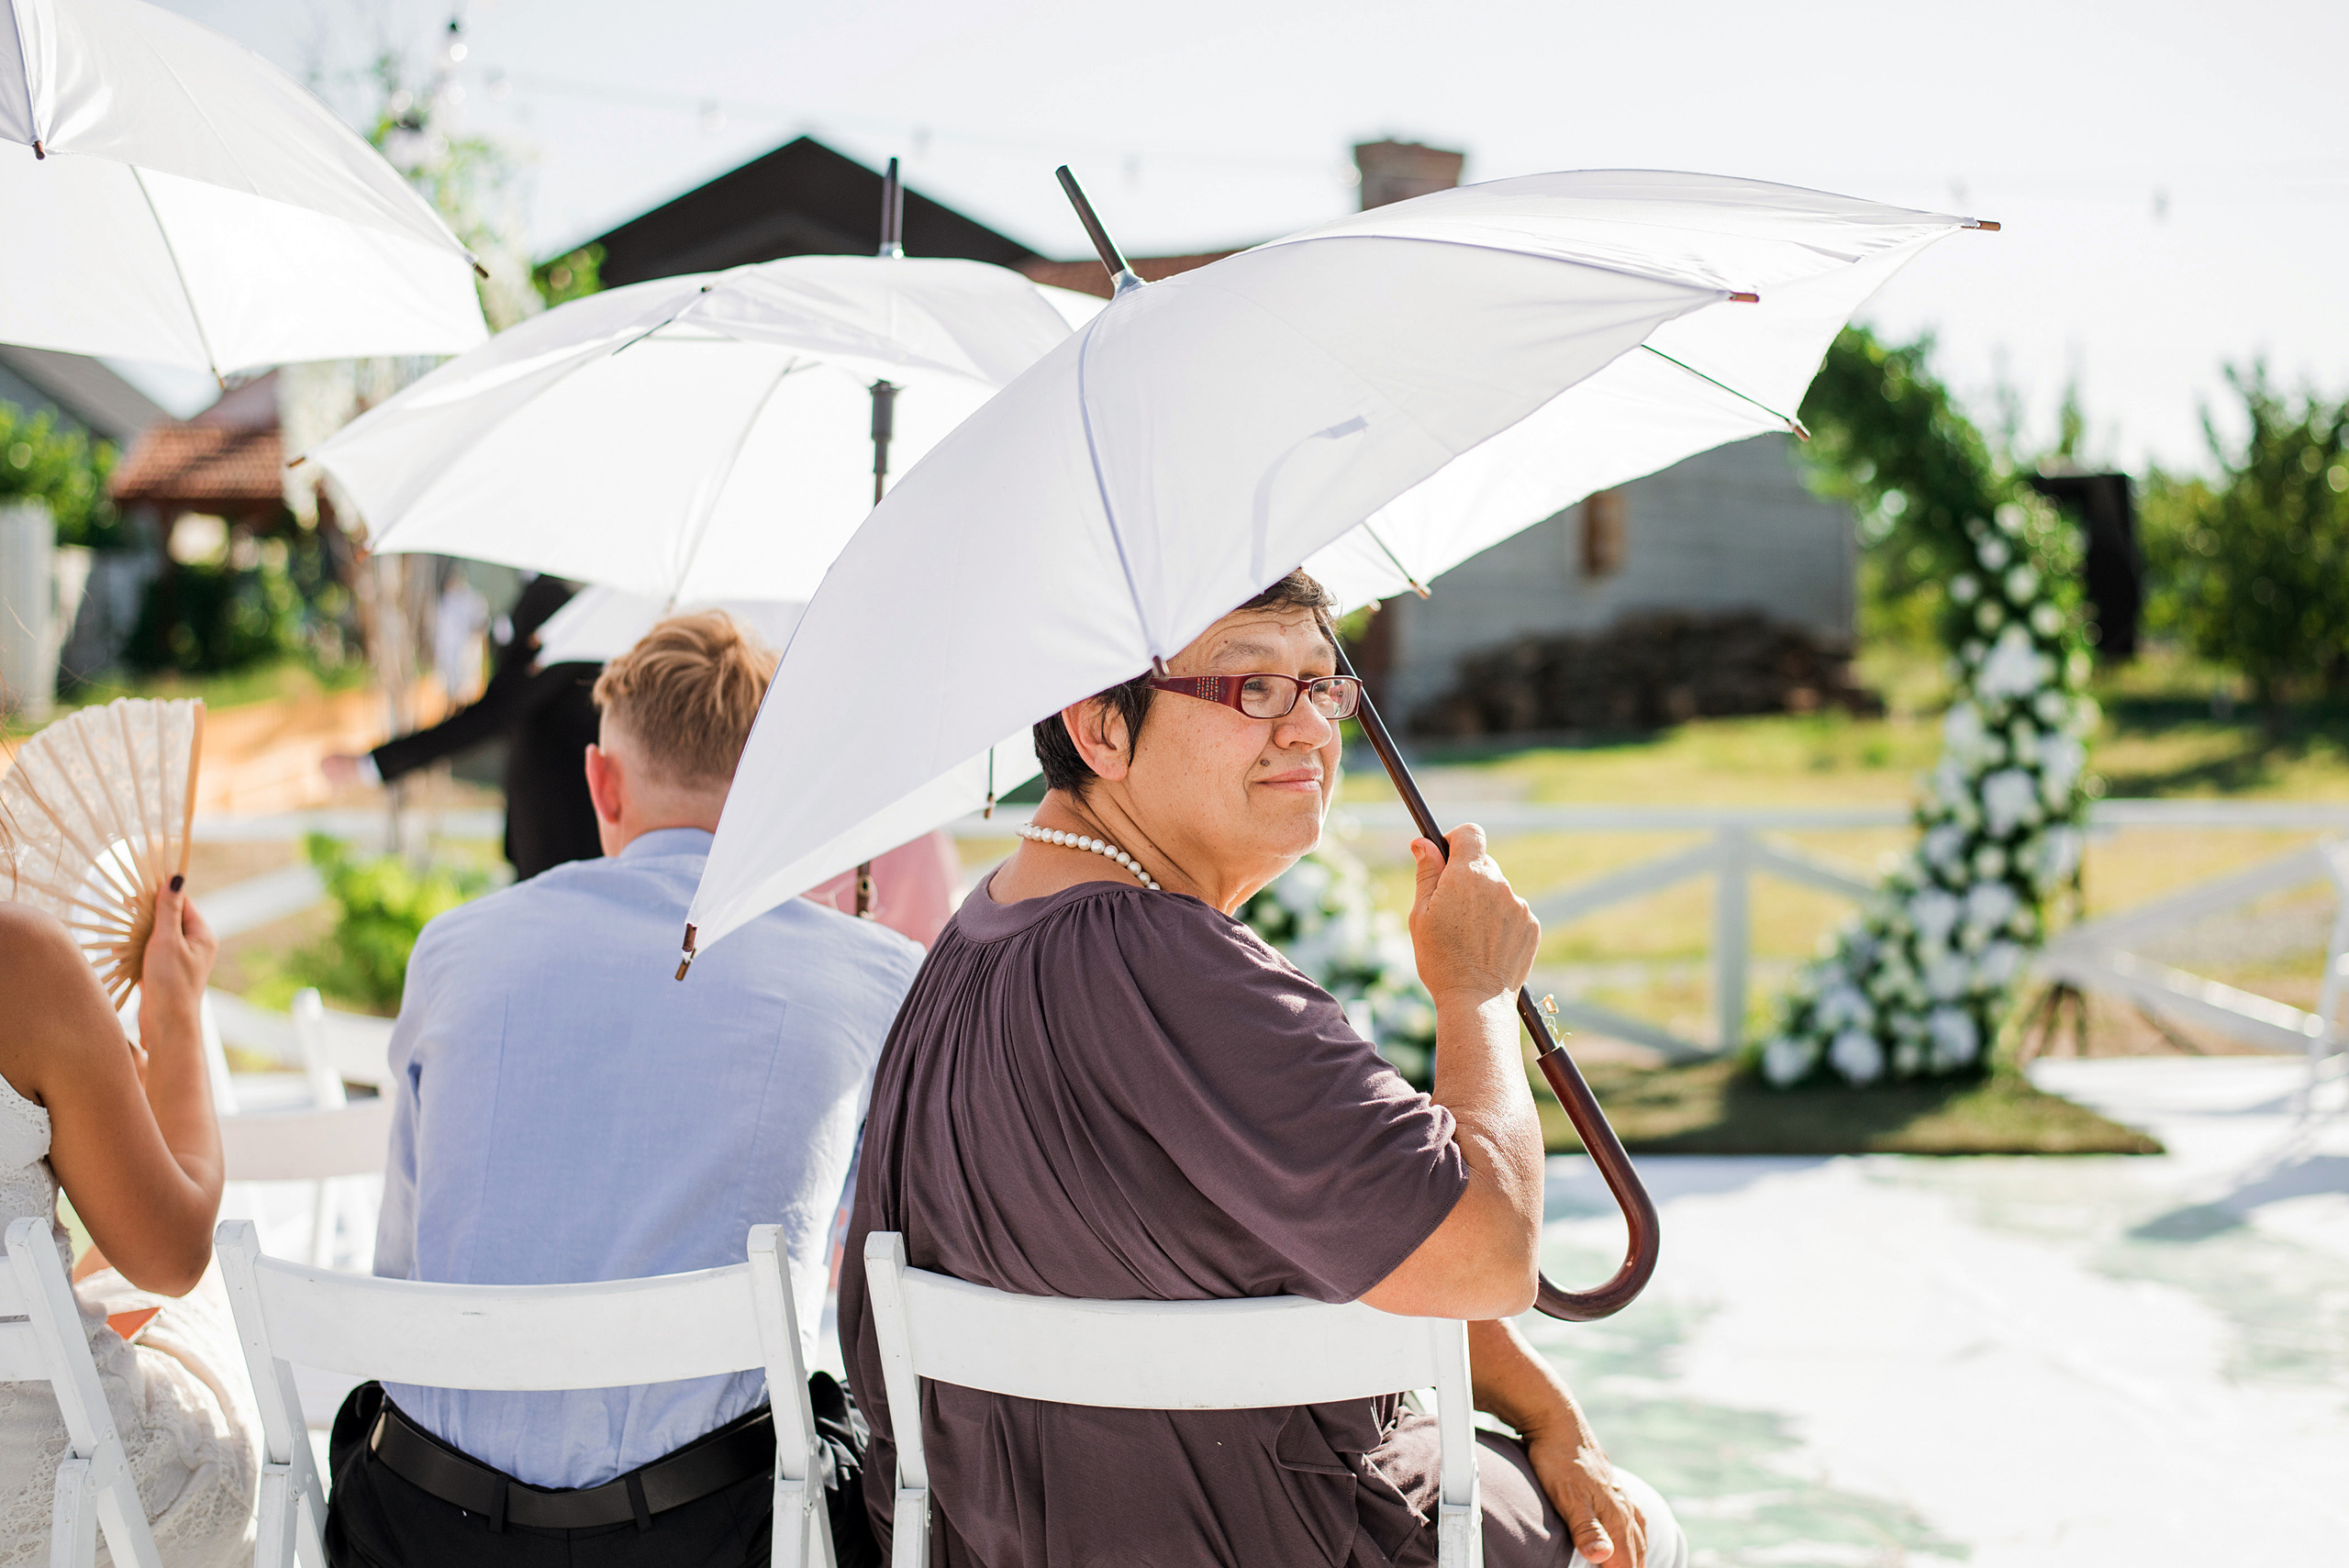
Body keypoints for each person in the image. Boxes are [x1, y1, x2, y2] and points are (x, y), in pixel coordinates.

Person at [841, 570, 1687, 1567]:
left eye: (1323, 683)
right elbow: (1486, 1253)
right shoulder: (1163, 964)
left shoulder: (982, 931)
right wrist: (1475, 994)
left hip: (996, 1542)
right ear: (1100, 730)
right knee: (1640, 1531)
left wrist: (1552, 1413)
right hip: (1275, 1534)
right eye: (1251, 688)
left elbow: (1364, 1235)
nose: (1309, 731)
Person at [329, 610, 919, 1568]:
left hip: (433, 1525)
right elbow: (886, 1286)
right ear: (781, 791)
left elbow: (402, 1274)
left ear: (601, 782)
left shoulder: (456, 949)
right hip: (718, 1529)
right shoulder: (875, 975)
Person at [0, 871, 260, 1566]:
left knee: (94, 1281)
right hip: (75, 1508)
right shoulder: (19, 957)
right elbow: (175, 1257)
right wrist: (172, 1014)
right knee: (218, 1296)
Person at [324, 573, 604, 881]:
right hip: (546, 830)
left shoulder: (554, 602)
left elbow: (495, 712)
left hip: (564, 832)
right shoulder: (542, 595)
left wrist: (372, 765)